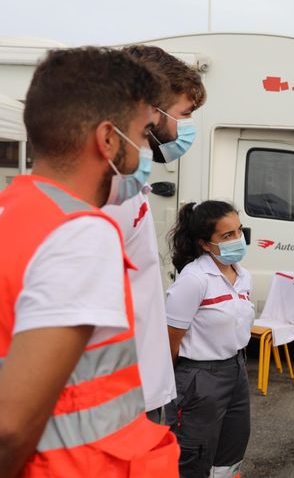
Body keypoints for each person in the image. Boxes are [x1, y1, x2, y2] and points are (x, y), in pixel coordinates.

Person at [0, 47, 179, 476]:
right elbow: (10, 428)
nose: (144, 154)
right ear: (108, 139)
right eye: (141, 134)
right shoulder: (82, 233)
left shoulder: (15, 209)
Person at [102, 44, 207, 425]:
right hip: (119, 396)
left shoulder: (129, 176)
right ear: (150, 107)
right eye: (184, 114)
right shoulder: (111, 183)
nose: (186, 127)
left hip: (136, 386)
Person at [164, 201, 254, 478]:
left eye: (239, 231)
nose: (238, 240)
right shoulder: (194, 279)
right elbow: (169, 343)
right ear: (205, 243)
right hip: (200, 377)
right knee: (193, 457)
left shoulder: (242, 274)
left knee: (231, 453)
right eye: (227, 236)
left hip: (236, 370)